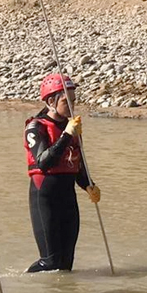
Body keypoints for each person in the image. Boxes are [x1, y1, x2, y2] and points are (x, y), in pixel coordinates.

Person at [24, 74, 99, 273]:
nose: (72, 106)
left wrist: (88, 185)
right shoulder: (35, 127)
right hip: (45, 196)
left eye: (74, 101)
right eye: (67, 101)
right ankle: (24, 282)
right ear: (51, 101)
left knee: (66, 264)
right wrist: (67, 135)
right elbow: (44, 161)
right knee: (50, 261)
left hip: (68, 197)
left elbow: (75, 163)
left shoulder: (73, 127)